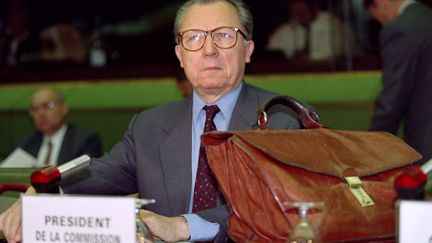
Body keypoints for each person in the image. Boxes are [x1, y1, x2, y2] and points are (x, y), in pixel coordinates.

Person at [0, 0, 304, 242]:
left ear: (247, 50)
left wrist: (183, 227)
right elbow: (101, 173)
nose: (209, 50)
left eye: (224, 36)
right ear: (180, 55)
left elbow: (274, 206)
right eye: (194, 38)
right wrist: (43, 194)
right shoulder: (149, 126)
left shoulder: (282, 119)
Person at [365, 0, 432, 165]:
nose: (382, 23)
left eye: (377, 18)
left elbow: (392, 98)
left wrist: (370, 148)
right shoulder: (427, 16)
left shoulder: (399, 29)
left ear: (379, 3)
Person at [13, 87, 102, 166]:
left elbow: (87, 177)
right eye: (35, 109)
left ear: (64, 108)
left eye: (48, 105)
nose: (41, 113)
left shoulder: (85, 140)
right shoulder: (23, 145)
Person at [267, 0, 353, 61]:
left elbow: (339, 53)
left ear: (315, 7)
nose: (297, 17)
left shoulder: (334, 24)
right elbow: (273, 50)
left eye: (302, 13)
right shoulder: (286, 29)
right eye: (294, 14)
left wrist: (309, 58)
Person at [0, 0, 40, 67]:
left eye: (21, 16)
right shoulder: (3, 37)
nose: (17, 20)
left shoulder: (34, 40)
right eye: (14, 15)